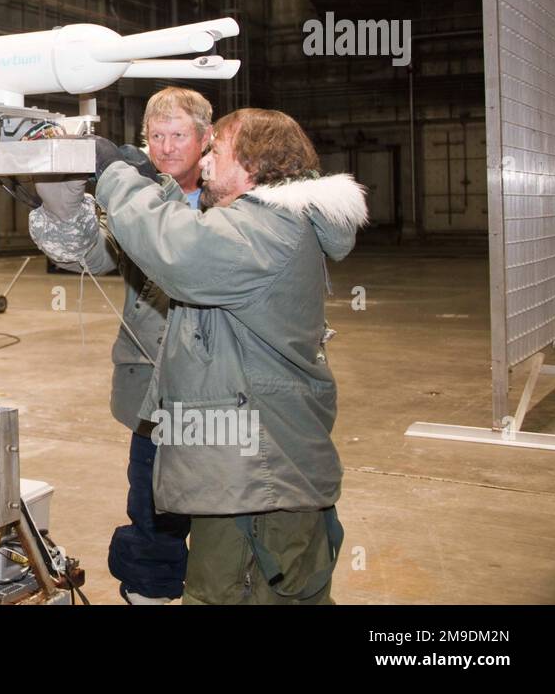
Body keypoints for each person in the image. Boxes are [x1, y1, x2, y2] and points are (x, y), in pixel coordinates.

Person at [84, 108, 367, 604]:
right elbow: (195, 233)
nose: (206, 160)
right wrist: (155, 181)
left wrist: (115, 180)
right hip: (250, 471)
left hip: (259, 478)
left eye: (217, 151)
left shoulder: (270, 228)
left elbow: (182, 251)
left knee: (236, 594)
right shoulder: (266, 222)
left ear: (253, 166)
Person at [28, 87, 211, 604]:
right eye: (156, 137)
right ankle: (149, 596)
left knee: (227, 517)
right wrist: (58, 184)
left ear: (206, 138)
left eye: (179, 135)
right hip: (154, 391)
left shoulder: (235, 196)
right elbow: (87, 253)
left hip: (224, 392)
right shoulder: (134, 199)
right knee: (153, 510)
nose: (168, 147)